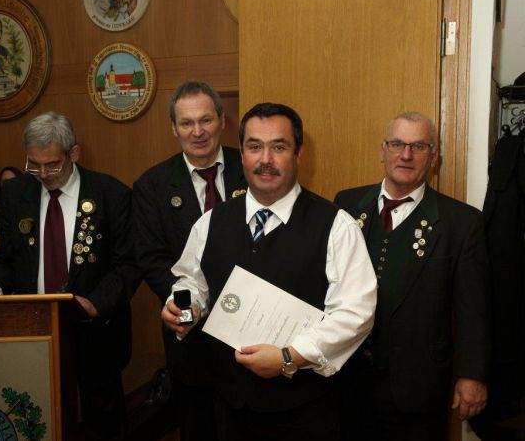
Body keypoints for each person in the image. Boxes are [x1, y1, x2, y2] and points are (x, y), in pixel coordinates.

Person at [161, 102, 377, 441]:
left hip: (306, 412)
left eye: (279, 147)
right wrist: (182, 308)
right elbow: (193, 281)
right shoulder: (210, 222)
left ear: (298, 153)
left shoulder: (337, 226)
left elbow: (355, 314)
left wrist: (290, 357)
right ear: (242, 154)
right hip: (230, 408)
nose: (265, 159)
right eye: (254, 147)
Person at [0, 111, 140, 441]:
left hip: (96, 332)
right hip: (33, 331)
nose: (44, 174)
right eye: (34, 165)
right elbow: (6, 258)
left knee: (101, 424)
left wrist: (95, 302)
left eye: (52, 165)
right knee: (35, 420)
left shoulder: (111, 194)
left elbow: (128, 264)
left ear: (73, 153)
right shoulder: (16, 193)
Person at [334, 112, 491, 441]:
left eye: (418, 146)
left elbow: (473, 310)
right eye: (397, 144)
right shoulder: (346, 205)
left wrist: (472, 375)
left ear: (434, 157)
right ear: (383, 150)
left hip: (418, 390)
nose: (406, 155)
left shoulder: (462, 223)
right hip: (348, 382)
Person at [133, 80, 246, 441]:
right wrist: (188, 306)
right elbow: (152, 259)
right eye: (186, 123)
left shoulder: (252, 168)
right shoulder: (152, 186)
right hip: (191, 339)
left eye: (206, 120)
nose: (198, 132)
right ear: (174, 128)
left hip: (250, 330)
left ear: (222, 121)